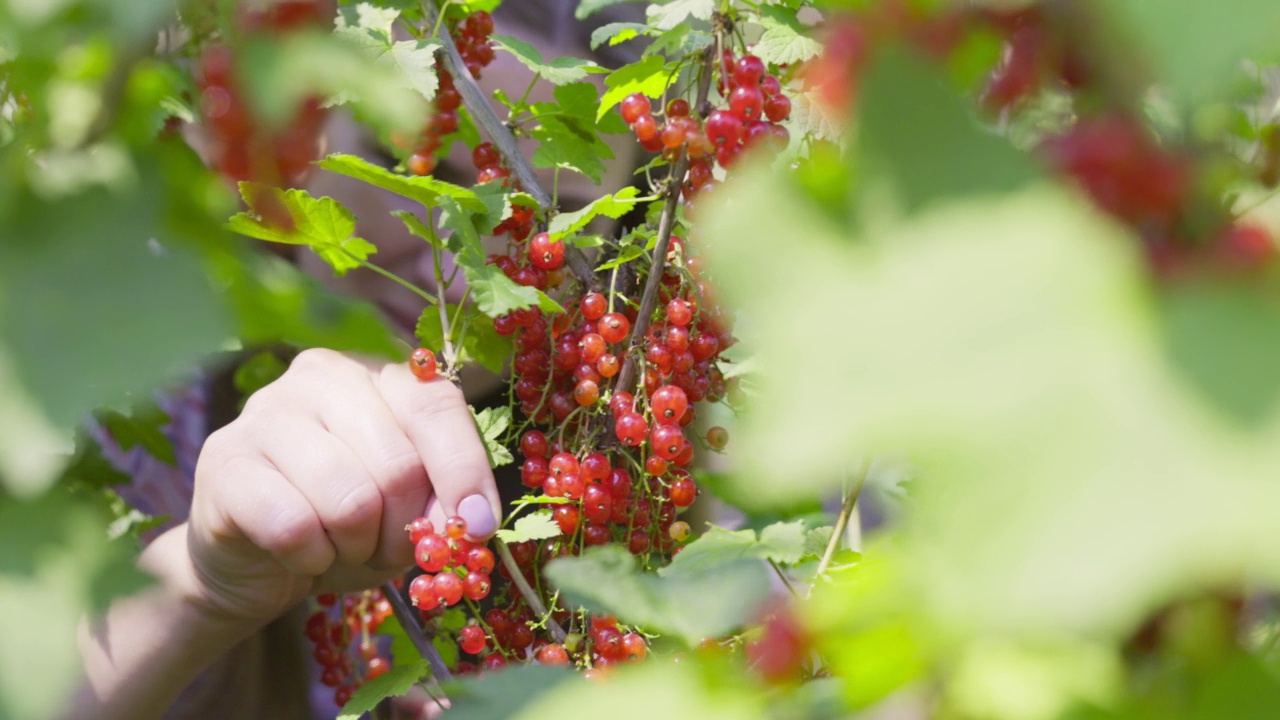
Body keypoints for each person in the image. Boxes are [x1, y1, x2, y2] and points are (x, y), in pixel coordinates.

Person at [65, 2, 646, 719]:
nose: (469, 272)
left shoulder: (634, 499)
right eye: (405, 161)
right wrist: (197, 584)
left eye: (555, 219)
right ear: (306, 123)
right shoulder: (112, 400)